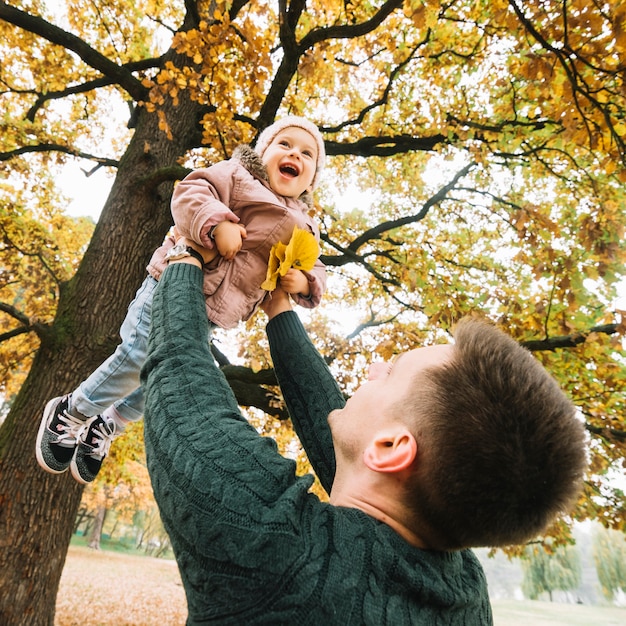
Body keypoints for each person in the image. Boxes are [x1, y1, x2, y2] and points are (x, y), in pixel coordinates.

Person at [140, 235, 588, 624]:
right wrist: (278, 307)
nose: (375, 367)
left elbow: (183, 374)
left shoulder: (279, 553)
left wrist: (185, 253)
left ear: (393, 448)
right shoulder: (463, 591)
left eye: (391, 373)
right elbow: (343, 439)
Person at [36, 116, 327, 484]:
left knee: (166, 373)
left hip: (212, 315)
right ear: (262, 152)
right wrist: (216, 223)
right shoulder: (237, 176)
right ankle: (72, 410)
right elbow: (191, 193)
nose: (294, 155)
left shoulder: (305, 226)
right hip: (171, 282)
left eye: (306, 154)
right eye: (283, 145)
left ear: (312, 177)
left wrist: (304, 281)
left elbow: (315, 265)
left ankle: (110, 422)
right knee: (140, 352)